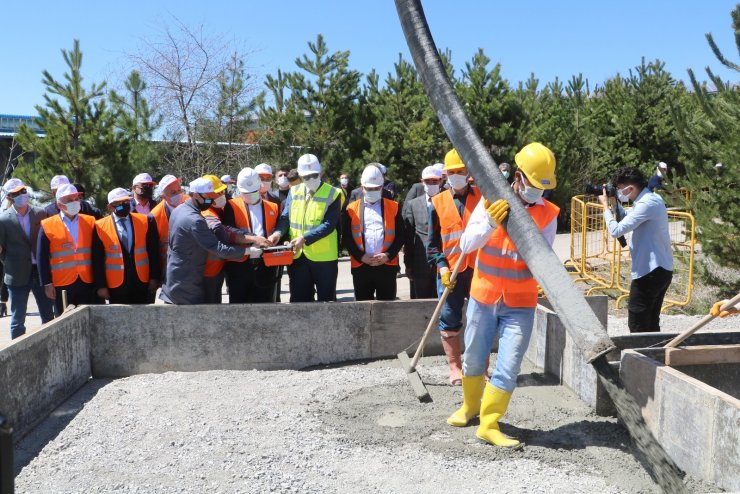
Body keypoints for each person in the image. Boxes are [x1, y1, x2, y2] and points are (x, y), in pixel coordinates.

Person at [447, 142, 560, 449]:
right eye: (534, 185)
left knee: (508, 365)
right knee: (473, 357)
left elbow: (544, 259)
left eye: (543, 187)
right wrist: (490, 222)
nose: (539, 193)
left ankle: (488, 423)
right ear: (519, 176)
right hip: (484, 296)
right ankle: (470, 407)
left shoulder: (549, 214)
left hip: (520, 304)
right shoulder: (490, 201)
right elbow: (468, 245)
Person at [427, 149, 482, 385]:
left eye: (460, 171)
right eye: (452, 172)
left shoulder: (482, 198)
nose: (457, 175)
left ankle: (479, 368)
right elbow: (432, 245)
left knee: (482, 319)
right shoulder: (437, 203)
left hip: (480, 269)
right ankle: (455, 368)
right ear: (445, 174)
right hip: (451, 272)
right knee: (450, 318)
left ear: (467, 172)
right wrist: (442, 268)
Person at [599, 167, 673, 333]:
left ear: (630, 188)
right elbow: (628, 218)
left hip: (651, 272)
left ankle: (641, 356)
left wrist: (604, 207)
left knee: (638, 323)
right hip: (658, 269)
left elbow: (616, 230)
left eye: (618, 189)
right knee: (651, 322)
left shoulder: (647, 203)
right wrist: (613, 203)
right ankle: (654, 355)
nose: (618, 192)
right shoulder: (649, 199)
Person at [160, 178, 249, 305]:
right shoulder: (194, 220)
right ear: (195, 195)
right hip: (186, 284)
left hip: (176, 278)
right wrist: (248, 251)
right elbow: (218, 248)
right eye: (208, 197)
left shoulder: (179, 209)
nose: (211, 201)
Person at [276, 154, 341, 302]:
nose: (311, 179)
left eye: (314, 175)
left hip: (324, 258)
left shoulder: (333, 193)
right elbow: (286, 218)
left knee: (327, 303)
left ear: (321, 173)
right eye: (306, 176)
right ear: (299, 175)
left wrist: (304, 238)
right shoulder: (294, 191)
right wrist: (278, 234)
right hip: (298, 256)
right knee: (300, 302)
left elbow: (329, 224)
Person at [0, 178, 55, 338]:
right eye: (16, 193)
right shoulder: (3, 220)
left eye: (23, 191)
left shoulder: (40, 213)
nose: (21, 195)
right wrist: (12, 263)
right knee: (17, 321)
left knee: (48, 316)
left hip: (40, 272)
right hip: (16, 275)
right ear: (9, 197)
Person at [343, 165, 403, 301]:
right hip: (361, 266)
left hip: (386, 266)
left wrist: (388, 255)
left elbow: (400, 236)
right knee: (363, 309)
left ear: (382, 187)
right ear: (362, 187)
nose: (372, 191)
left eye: (376, 188)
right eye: (369, 189)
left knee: (387, 310)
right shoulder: (351, 209)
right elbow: (347, 237)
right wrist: (360, 256)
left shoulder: (394, 207)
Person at [222, 168, 282, 303]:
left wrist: (276, 237)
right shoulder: (231, 205)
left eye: (253, 192)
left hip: (265, 265)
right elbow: (227, 230)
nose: (250, 195)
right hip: (239, 266)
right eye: (246, 193)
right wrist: (254, 239)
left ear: (259, 187)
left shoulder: (273, 206)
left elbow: (278, 229)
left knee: (263, 304)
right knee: (238, 305)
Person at [37, 183, 97, 315]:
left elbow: (97, 253)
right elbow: (41, 257)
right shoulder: (47, 225)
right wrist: (47, 283)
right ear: (59, 205)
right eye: (69, 200)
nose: (74, 202)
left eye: (76, 199)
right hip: (61, 284)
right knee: (63, 323)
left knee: (88, 320)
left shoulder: (91, 221)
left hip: (86, 281)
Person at [92, 188, 160, 304]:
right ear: (110, 207)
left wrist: (154, 278)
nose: (123, 205)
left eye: (126, 202)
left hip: (142, 282)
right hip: (116, 285)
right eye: (118, 204)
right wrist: (101, 286)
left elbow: (154, 252)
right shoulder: (99, 226)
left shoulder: (145, 221)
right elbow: (97, 260)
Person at [403, 166, 442, 299]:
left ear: (441, 181)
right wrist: (408, 264)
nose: (431, 184)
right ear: (422, 182)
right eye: (428, 181)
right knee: (421, 302)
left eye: (435, 181)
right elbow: (409, 237)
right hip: (420, 263)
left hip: (443, 262)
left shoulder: (450, 202)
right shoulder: (413, 204)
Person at [149, 175, 188, 281]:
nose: (178, 194)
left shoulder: (190, 202)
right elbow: (153, 249)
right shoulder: (155, 216)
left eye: (179, 190)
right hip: (169, 269)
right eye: (173, 192)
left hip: (191, 266)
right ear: (163, 195)